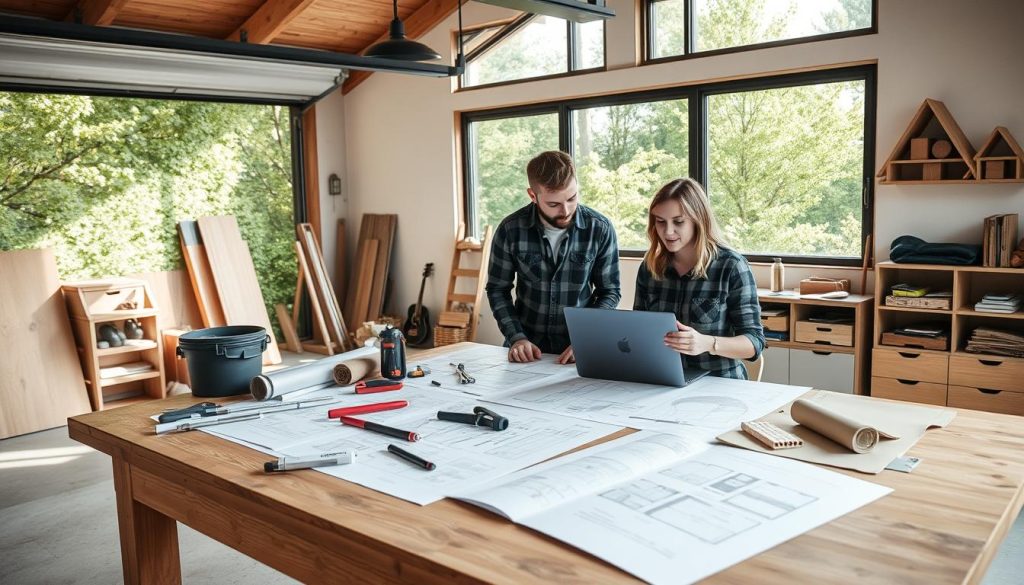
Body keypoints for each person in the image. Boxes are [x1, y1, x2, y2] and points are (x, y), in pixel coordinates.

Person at [486, 150, 621, 364]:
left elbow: (609, 292)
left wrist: (586, 338)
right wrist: (516, 337)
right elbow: (497, 289)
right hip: (525, 350)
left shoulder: (600, 229)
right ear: (533, 195)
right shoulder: (510, 229)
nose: (566, 210)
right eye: (554, 204)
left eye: (572, 198)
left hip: (579, 350)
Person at [633, 178, 764, 379]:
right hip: (662, 382)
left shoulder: (731, 266)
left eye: (678, 222)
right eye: (660, 221)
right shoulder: (650, 268)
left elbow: (754, 343)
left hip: (719, 384)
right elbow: (637, 331)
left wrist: (707, 343)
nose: (668, 232)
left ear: (698, 220)